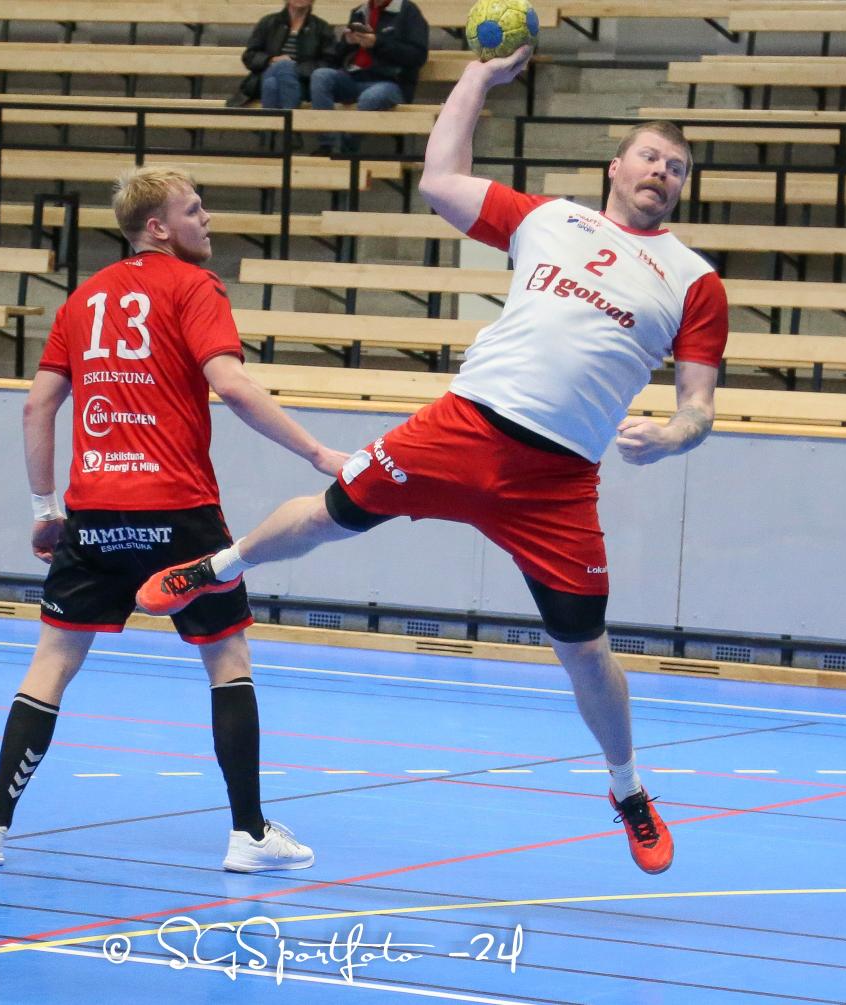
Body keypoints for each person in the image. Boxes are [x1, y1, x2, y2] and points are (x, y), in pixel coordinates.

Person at [138, 47, 730, 877]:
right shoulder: (548, 219)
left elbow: (699, 407)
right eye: (650, 157)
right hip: (463, 425)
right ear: (616, 166)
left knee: (585, 649)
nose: (661, 172)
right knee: (331, 513)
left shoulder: (694, 281)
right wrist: (478, 79)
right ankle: (217, 566)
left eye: (676, 168)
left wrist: (672, 435)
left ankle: (628, 789)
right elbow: (440, 179)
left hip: (556, 480)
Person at [0, 167, 348, 872]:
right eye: (194, 209)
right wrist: (318, 453)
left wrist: (45, 510)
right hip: (178, 508)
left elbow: (37, 405)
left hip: (94, 510)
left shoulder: (82, 299)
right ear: (156, 226)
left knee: (52, 663)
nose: (207, 219)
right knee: (227, 659)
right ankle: (249, 835)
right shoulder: (196, 287)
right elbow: (231, 384)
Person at [309, 0, 429, 154]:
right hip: (353, 78)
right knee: (321, 76)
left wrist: (377, 43)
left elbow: (418, 56)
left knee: (372, 96)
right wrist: (347, 42)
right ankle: (328, 145)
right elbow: (337, 59)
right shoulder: (359, 12)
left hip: (391, 83)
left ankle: (345, 149)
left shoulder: (408, 11)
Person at [229, 0, 336, 110]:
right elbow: (249, 56)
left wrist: (295, 69)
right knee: (283, 66)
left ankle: (278, 120)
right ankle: (290, 115)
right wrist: (271, 60)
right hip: (267, 74)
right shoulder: (268, 22)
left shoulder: (322, 27)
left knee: (272, 85)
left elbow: (329, 62)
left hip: (303, 81)